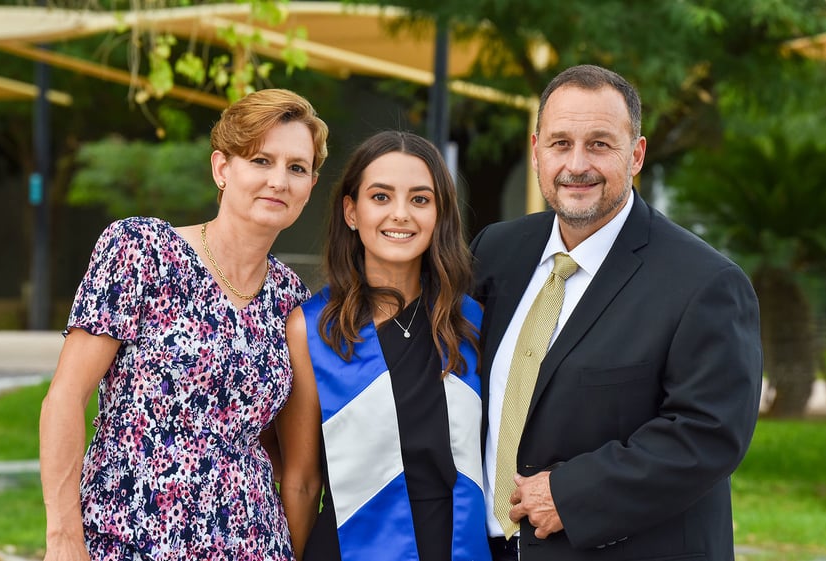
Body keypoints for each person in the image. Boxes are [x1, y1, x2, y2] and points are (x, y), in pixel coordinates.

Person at [471, 64, 763, 560]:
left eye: (600, 144)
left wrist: (570, 494)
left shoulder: (706, 283)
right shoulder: (494, 251)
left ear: (637, 154)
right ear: (537, 149)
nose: (577, 164)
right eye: (561, 143)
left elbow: (708, 434)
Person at [39, 88, 328, 561]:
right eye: (261, 160)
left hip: (253, 545)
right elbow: (65, 399)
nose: (279, 180)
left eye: (297, 167)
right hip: (127, 537)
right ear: (222, 169)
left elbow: (293, 466)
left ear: (310, 185)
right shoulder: (141, 250)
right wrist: (64, 538)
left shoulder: (291, 299)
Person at [276, 130, 492, 561]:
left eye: (420, 199)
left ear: (439, 214)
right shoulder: (312, 329)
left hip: (458, 547)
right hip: (352, 546)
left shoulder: (473, 323)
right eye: (380, 197)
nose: (401, 215)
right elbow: (301, 481)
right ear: (351, 211)